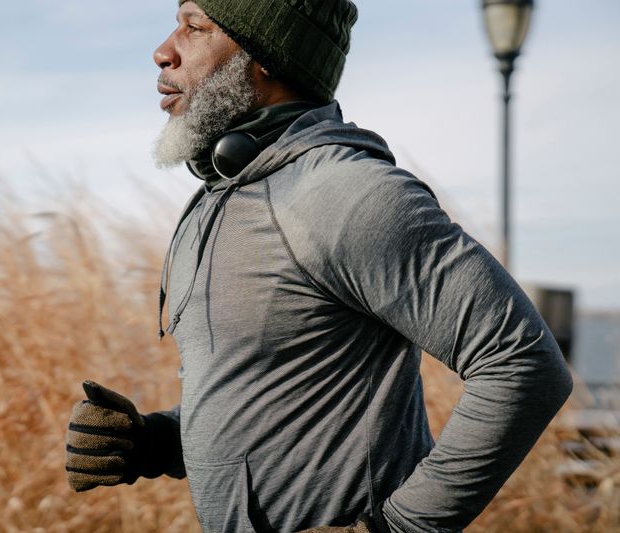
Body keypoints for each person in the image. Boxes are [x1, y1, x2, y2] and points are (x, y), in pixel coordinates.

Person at [65, 1, 574, 531]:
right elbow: (272, 403)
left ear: (266, 57)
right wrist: (153, 442)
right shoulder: (222, 196)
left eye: (195, 27)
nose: (163, 51)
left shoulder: (348, 195)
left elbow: (524, 363)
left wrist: (398, 527)